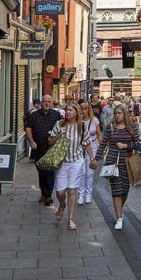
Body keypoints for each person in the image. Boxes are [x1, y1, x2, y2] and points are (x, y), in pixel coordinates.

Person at [90, 102, 137, 230]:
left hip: (126, 162)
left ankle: (119, 209)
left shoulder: (132, 127)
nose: (116, 116)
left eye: (119, 113)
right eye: (115, 113)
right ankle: (119, 218)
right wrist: (96, 159)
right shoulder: (110, 128)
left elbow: (138, 144)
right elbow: (103, 144)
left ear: (125, 114)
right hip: (112, 161)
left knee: (125, 190)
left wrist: (126, 146)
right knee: (116, 190)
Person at [48, 102, 94, 230]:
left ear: (76, 112)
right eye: (67, 110)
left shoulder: (82, 126)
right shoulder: (59, 125)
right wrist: (59, 135)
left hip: (77, 160)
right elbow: (50, 141)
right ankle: (62, 205)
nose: (68, 112)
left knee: (72, 190)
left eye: (71, 110)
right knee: (60, 191)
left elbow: (86, 144)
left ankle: (71, 219)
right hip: (62, 161)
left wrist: (92, 158)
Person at [25, 95, 62, 206]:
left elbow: (62, 128)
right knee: (41, 172)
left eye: (49, 101)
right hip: (38, 148)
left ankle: (48, 195)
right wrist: (31, 142)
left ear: (51, 103)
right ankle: (43, 193)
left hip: (52, 149)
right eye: (44, 101)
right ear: (41, 103)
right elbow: (28, 129)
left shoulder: (56, 115)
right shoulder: (34, 115)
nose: (46, 103)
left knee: (50, 171)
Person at [77, 101, 102, 205]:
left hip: (93, 148)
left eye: (86, 108)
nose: (84, 111)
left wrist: (103, 149)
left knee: (89, 173)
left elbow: (99, 135)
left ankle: (88, 194)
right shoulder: (78, 121)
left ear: (89, 109)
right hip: (80, 149)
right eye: (82, 109)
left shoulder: (94, 120)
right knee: (81, 172)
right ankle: (80, 195)